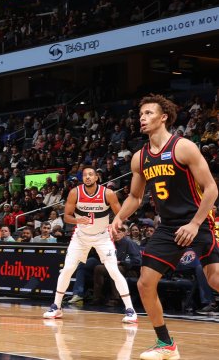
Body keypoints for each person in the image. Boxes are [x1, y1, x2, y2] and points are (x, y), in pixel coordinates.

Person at [111, 94, 219, 360]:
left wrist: (195, 223)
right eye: (140, 114)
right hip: (168, 226)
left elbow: (212, 189)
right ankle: (166, 343)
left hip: (198, 219)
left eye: (148, 113)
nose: (142, 118)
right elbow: (136, 197)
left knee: (214, 279)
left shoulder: (184, 147)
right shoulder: (140, 157)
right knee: (146, 283)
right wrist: (118, 218)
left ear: (164, 117)